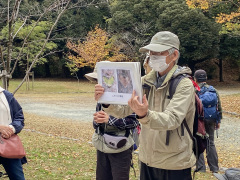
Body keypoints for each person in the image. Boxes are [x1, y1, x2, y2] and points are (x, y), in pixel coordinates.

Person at [95, 31, 196, 180]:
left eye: (158, 52)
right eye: (150, 52)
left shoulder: (184, 84)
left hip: (175, 163)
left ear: (174, 55)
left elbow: (172, 119)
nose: (152, 57)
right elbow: (124, 110)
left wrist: (144, 114)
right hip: (147, 159)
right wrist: (107, 101)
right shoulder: (143, 81)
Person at [85, 67, 139, 180]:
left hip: (121, 149)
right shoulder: (101, 97)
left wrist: (109, 120)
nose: (98, 84)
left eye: (101, 80)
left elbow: (134, 121)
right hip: (102, 146)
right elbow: (96, 125)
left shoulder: (126, 95)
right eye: (97, 81)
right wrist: (97, 121)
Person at [194, 69, 222, 173]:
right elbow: (219, 106)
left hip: (199, 119)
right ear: (206, 78)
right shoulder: (213, 90)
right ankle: (214, 168)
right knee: (211, 142)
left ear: (195, 79)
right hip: (211, 118)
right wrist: (218, 120)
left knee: (198, 142)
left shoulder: (195, 90)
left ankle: (201, 168)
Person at [0, 86, 26, 180]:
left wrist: (11, 129)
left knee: (18, 177)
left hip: (8, 144)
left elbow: (19, 117)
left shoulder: (6, 95)